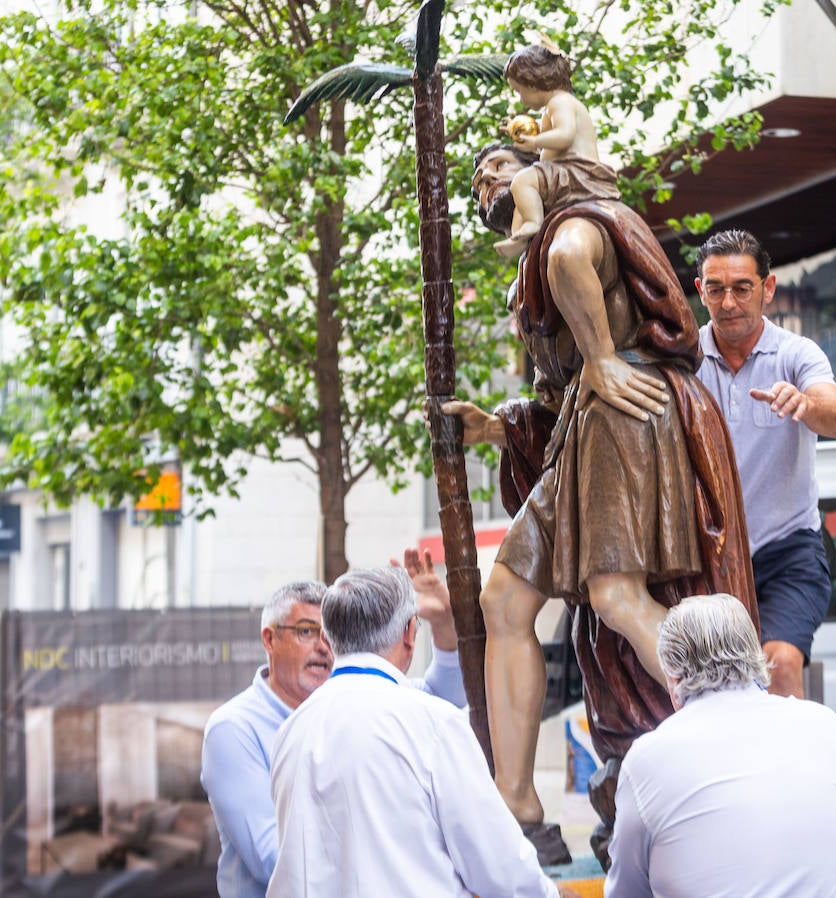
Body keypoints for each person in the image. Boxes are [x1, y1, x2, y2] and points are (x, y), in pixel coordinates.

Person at [444, 144, 755, 862]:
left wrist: (604, 360)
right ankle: (515, 802)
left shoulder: (573, 225)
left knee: (617, 596)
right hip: (581, 433)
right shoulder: (532, 254)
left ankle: (728, 732)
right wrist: (499, 427)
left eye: (498, 167)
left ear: (539, 173)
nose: (488, 183)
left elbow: (570, 263)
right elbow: (562, 384)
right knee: (505, 603)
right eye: (478, 180)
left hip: (620, 419)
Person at [266, 567, 575, 898]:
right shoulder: (433, 723)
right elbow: (499, 866)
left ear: (327, 639)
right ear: (411, 633)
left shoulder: (290, 732)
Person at [200, 549, 464, 898]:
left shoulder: (364, 702)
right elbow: (272, 858)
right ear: (269, 639)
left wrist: (443, 624)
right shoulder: (233, 729)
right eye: (307, 631)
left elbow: (441, 698)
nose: (323, 646)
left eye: (328, 633)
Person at [605, 594, 836, 898]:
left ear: (672, 675)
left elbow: (625, 890)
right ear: (754, 654)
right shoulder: (826, 724)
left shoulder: (649, 758)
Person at [693, 229, 836, 698]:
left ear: (768, 288)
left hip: (788, 551)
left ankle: (793, 772)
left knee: (778, 664)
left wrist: (804, 403)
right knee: (705, 690)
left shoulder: (796, 354)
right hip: (707, 556)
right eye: (716, 288)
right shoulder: (682, 361)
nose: (728, 302)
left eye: (742, 287)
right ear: (700, 290)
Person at [494, 42, 620, 258]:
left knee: (522, 182)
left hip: (575, 172)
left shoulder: (559, 103)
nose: (520, 98)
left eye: (519, 91)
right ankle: (519, 238)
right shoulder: (556, 105)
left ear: (532, 83)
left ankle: (533, 223)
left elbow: (565, 135)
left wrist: (535, 143)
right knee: (521, 199)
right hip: (563, 170)